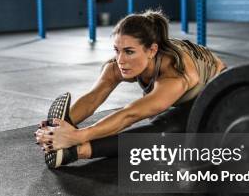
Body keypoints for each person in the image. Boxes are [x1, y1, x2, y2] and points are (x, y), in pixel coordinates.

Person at [35, 10, 227, 168]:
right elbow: (93, 97)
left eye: (129, 52)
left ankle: (76, 152)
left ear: (152, 51)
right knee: (160, 119)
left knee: (166, 130)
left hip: (221, 98)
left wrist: (76, 137)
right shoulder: (118, 65)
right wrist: (61, 127)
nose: (121, 60)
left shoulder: (174, 74)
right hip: (176, 98)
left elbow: (130, 115)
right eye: (117, 50)